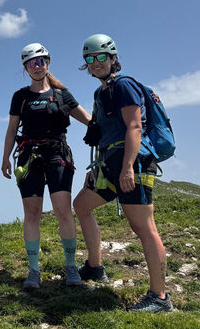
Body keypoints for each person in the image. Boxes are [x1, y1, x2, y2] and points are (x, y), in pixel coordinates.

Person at [73, 34, 173, 312]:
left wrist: (128, 167)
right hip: (111, 163)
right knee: (81, 205)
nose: (95, 63)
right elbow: (108, 134)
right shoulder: (101, 92)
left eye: (101, 57)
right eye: (90, 59)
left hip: (133, 163)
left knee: (144, 228)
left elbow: (134, 128)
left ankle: (160, 297)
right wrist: (96, 168)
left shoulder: (124, 85)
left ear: (113, 58)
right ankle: (94, 267)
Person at [1, 43, 92, 289]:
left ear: (48, 63)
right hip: (29, 157)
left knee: (63, 210)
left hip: (57, 155)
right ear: (25, 67)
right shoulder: (20, 97)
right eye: (32, 62)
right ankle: (33, 270)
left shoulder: (62, 94)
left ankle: (71, 266)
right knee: (32, 213)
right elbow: (11, 130)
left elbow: (88, 120)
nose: (37, 66)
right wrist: (5, 158)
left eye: (41, 61)